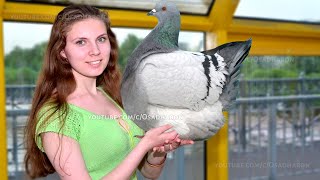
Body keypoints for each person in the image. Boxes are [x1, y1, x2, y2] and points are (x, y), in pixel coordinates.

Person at [24, 5, 194, 180]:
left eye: (101, 39)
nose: (95, 50)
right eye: (81, 42)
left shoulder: (112, 95)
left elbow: (150, 173)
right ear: (62, 53)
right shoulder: (55, 116)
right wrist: (144, 145)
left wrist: (157, 151)